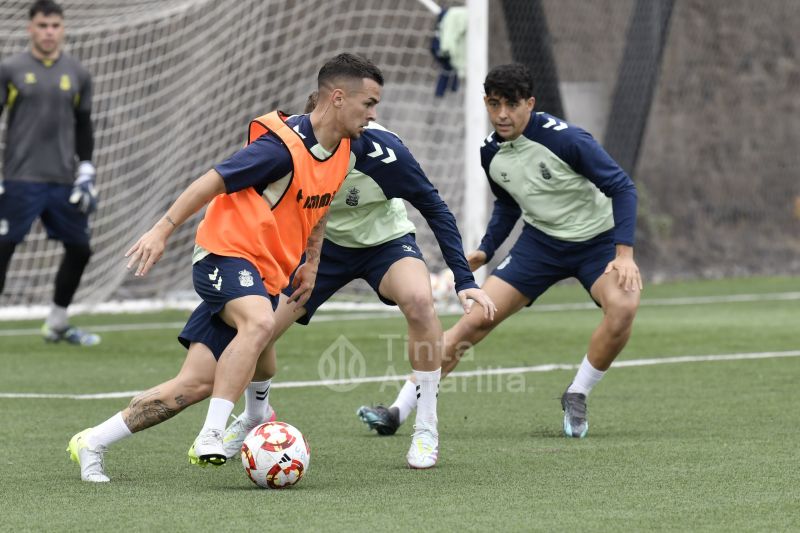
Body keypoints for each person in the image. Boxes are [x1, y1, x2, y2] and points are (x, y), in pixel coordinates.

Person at [66, 53, 385, 482]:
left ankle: (93, 441)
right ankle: (213, 433)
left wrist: (312, 263)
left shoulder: (346, 149)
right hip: (223, 253)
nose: (373, 114)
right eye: (369, 103)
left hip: (263, 273)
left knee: (200, 383)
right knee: (258, 324)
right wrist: (162, 230)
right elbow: (211, 181)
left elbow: (321, 203)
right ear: (339, 98)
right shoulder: (279, 149)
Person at [179, 91, 496, 470]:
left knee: (419, 301)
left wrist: (464, 280)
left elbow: (435, 208)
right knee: (262, 326)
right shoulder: (290, 148)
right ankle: (254, 414)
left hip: (385, 241)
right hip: (320, 249)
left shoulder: (385, 153)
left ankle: (427, 425)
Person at [358, 63, 642, 439]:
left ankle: (577, 393)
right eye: (494, 104)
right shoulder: (491, 152)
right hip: (540, 245)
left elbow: (622, 187)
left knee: (623, 309)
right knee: (473, 321)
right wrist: (486, 250)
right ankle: (398, 410)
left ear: (530, 104)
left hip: (599, 244)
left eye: (511, 104)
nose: (502, 114)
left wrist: (624, 254)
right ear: (486, 103)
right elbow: (508, 204)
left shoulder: (569, 140)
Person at [0, 0, 100, 345]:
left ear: (63, 28)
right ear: (31, 28)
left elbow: (84, 125)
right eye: (42, 25)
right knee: (3, 247)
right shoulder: (10, 69)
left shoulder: (78, 73)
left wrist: (86, 169)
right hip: (20, 179)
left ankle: (57, 323)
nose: (49, 32)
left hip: (63, 181)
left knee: (81, 249)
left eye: (55, 25)